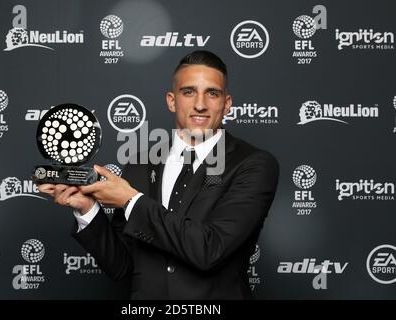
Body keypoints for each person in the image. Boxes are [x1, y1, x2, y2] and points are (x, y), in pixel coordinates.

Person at [39, 50, 279, 299]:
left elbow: (211, 249)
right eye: (188, 92)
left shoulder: (254, 164)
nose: (200, 104)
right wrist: (88, 209)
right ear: (171, 100)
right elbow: (123, 266)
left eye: (212, 93)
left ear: (226, 104)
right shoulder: (142, 163)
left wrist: (130, 200)